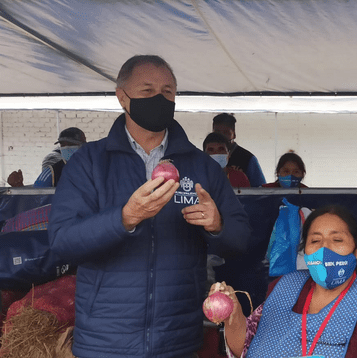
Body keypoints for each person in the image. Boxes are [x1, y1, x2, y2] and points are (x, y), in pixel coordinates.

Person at [48, 55, 251, 358]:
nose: (159, 98)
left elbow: (243, 238)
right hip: (105, 342)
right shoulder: (90, 162)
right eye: (147, 91)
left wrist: (217, 224)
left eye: (167, 92)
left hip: (177, 340)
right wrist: (125, 218)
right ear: (122, 97)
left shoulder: (201, 166)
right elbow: (62, 241)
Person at [213, 204, 357, 357]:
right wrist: (234, 315)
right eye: (315, 241)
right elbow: (245, 349)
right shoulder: (285, 287)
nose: (325, 249)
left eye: (337, 240)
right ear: (305, 251)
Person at [7, 127, 86, 187]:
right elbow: (36, 197)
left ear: (84, 145)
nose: (66, 148)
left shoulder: (94, 167)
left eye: (71, 144)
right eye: (63, 145)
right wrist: (19, 186)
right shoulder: (53, 172)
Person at [212, 113, 266, 187]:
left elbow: (261, 190)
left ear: (234, 134)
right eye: (217, 132)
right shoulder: (205, 157)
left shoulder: (248, 159)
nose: (221, 137)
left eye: (226, 133)